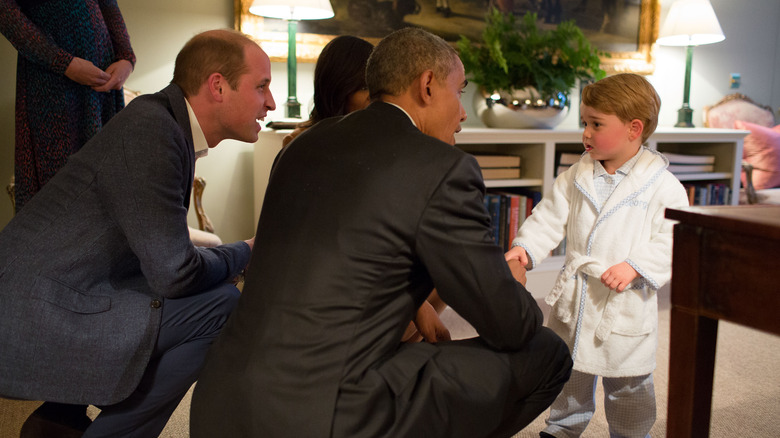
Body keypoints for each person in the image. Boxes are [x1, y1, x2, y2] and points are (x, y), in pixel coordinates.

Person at [190, 27, 572, 438]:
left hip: (219, 403)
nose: (462, 113)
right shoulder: (442, 167)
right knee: (547, 352)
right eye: (459, 92)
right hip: (321, 416)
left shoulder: (301, 145)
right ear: (427, 85)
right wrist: (513, 288)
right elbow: (508, 324)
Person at [0, 29, 276, 437]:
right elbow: (175, 274)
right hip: (36, 313)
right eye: (262, 86)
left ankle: (58, 422)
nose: (270, 102)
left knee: (198, 298)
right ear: (218, 85)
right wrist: (248, 250)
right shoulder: (154, 131)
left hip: (63, 293)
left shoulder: (162, 123)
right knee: (223, 307)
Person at [504, 73, 690, 437]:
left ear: (634, 128)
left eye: (596, 124)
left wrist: (636, 267)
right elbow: (548, 217)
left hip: (624, 303)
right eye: (584, 123)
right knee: (569, 374)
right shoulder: (576, 175)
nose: (585, 133)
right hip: (578, 297)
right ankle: (561, 428)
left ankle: (632, 434)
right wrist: (524, 248)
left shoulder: (662, 186)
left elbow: (674, 238)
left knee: (629, 386)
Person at [0, 0, 136, 211]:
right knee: (60, 189)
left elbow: (108, 4)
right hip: (52, 83)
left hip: (103, 86)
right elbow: (5, 11)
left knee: (108, 182)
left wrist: (126, 58)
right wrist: (63, 63)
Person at [282, 35, 374, 147]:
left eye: (377, 86)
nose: (375, 96)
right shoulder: (299, 142)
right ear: (338, 89)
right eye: (364, 88)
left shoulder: (383, 138)